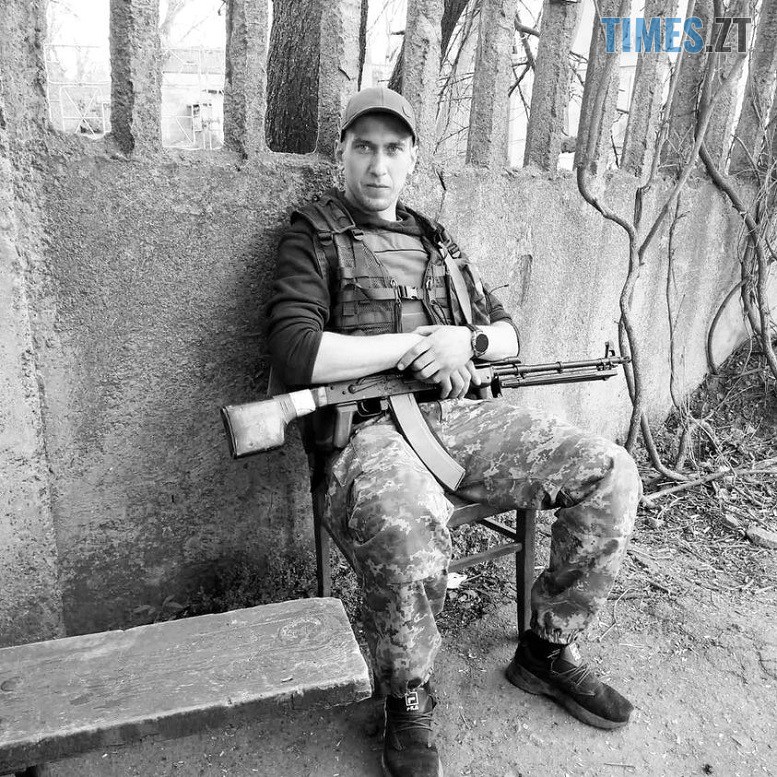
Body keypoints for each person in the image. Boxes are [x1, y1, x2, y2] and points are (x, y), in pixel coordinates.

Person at [267, 86, 641, 777]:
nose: (378, 165)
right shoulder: (311, 238)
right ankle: (406, 692)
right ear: (342, 155)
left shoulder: (435, 239)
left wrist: (462, 341)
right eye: (363, 147)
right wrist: (415, 348)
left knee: (609, 469)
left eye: (393, 149)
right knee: (408, 524)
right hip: (368, 430)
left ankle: (546, 648)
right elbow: (296, 351)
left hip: (461, 417)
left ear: (412, 158)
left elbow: (508, 335)